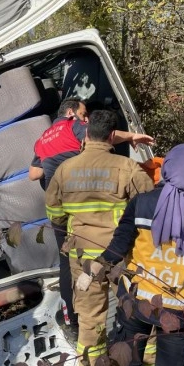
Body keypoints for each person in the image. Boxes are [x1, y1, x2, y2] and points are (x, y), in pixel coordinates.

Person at [30, 98, 155, 340]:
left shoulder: (46, 145)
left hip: (81, 249)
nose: (84, 119)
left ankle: (76, 329)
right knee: (135, 310)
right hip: (119, 251)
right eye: (82, 114)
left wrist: (66, 228)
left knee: (90, 320)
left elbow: (34, 175)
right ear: (70, 113)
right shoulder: (74, 127)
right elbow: (151, 205)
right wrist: (132, 136)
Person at [83, 144, 184, 366]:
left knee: (126, 359)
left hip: (136, 300)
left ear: (167, 167)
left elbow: (119, 244)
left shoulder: (142, 202)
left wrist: (95, 267)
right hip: (180, 307)